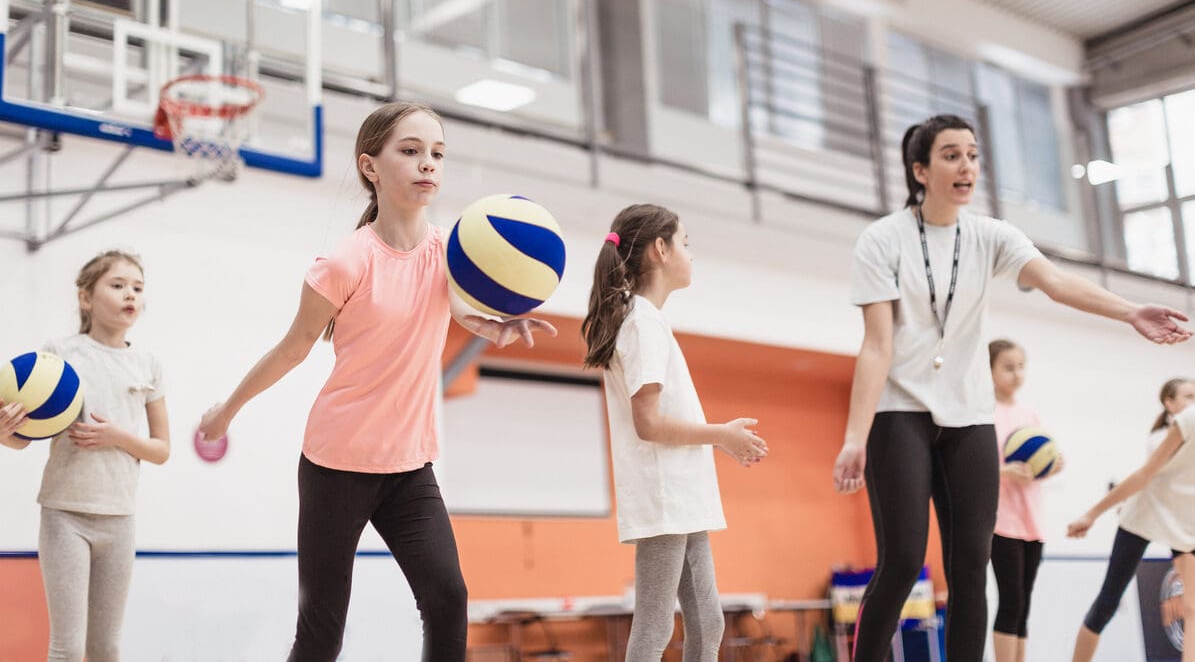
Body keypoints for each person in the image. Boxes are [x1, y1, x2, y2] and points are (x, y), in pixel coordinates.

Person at [198, 102, 557, 662]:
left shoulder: (447, 249)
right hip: (336, 465)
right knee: (322, 632)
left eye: (437, 154)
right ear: (371, 167)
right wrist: (225, 412)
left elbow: (457, 309)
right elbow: (292, 350)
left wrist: (500, 324)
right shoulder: (346, 261)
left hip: (409, 468)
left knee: (447, 598)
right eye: (410, 152)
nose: (427, 165)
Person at [831, 113, 1190, 662]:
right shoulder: (882, 240)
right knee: (903, 560)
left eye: (973, 154)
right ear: (920, 170)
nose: (967, 166)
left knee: (971, 568)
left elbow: (1055, 281)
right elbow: (877, 345)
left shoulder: (990, 235)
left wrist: (1129, 311)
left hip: (970, 420)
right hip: (900, 413)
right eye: (952, 155)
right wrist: (856, 437)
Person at [581, 203, 769, 661]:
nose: (691, 254)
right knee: (655, 625)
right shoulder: (642, 323)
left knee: (708, 623)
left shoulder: (649, 320)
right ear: (660, 250)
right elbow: (648, 423)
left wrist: (720, 435)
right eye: (685, 243)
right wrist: (721, 434)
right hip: (665, 498)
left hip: (681, 499)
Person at [1, 250, 171, 662]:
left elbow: (161, 450)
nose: (130, 294)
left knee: (106, 646)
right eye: (117, 285)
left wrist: (115, 436)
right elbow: (25, 438)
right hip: (64, 515)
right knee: (68, 646)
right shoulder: (59, 355)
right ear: (86, 298)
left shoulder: (147, 364)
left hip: (119, 519)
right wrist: (6, 431)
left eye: (137, 287)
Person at [1067, 378, 1195, 662]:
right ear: (1170, 404)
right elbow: (1143, 476)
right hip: (1144, 518)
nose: (1192, 400)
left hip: (1186, 524)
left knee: (1193, 607)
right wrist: (1091, 514)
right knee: (1107, 603)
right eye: (1188, 395)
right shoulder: (1173, 430)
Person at [988, 339, 1064, 662]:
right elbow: (977, 470)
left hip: (1032, 521)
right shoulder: (983, 412)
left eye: (1021, 366)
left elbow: (1047, 459)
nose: (1017, 374)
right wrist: (1005, 472)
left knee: (1024, 602)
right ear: (989, 371)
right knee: (1010, 600)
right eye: (1008, 367)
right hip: (1002, 522)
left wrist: (1054, 463)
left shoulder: (1029, 413)